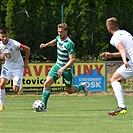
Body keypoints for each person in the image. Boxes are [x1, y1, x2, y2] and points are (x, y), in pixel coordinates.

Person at [40, 23, 88, 111]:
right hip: (57, 65)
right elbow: (55, 41)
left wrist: (63, 69)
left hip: (67, 69)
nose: (59, 34)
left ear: (66, 31)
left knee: (70, 91)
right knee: (47, 84)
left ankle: (82, 86)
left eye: (61, 32)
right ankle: (44, 107)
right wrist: (46, 44)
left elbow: (72, 59)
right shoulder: (58, 38)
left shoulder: (69, 44)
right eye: (58, 32)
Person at [100, 17, 133, 116]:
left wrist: (124, 61)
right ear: (117, 26)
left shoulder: (114, 38)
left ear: (108, 28)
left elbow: (122, 49)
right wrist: (111, 55)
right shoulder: (125, 33)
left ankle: (122, 106)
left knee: (114, 79)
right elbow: (126, 50)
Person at [0, 28, 30, 111]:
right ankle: (2, 106)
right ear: (0, 37)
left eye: (6, 36)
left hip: (18, 67)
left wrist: (26, 62)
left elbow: (27, 49)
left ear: (8, 35)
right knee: (2, 84)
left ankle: (20, 87)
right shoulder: (0, 45)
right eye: (3, 36)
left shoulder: (14, 43)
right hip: (7, 66)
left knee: (15, 90)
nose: (5, 38)